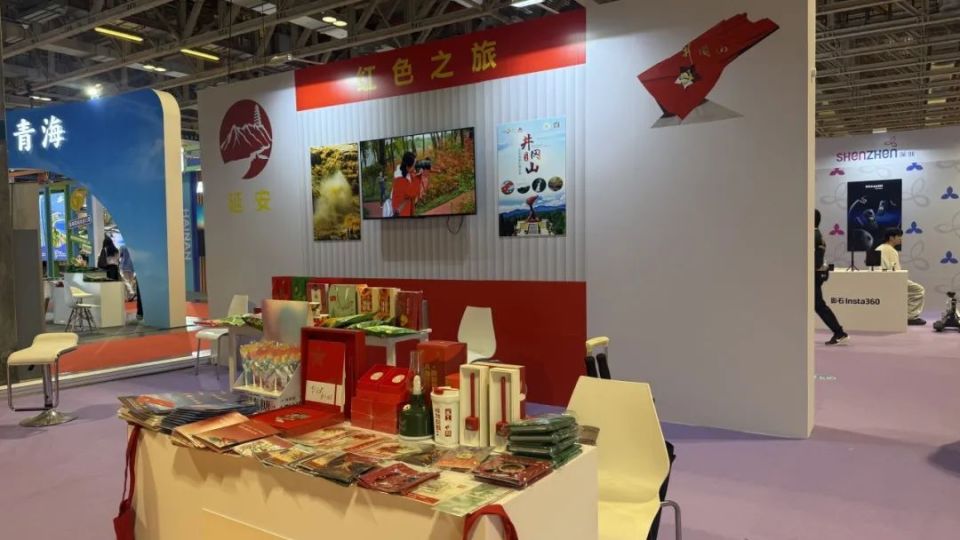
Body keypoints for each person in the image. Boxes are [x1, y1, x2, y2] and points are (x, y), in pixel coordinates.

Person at [876, 228, 926, 325]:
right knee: (918, 290)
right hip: (892, 279)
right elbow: (896, 271)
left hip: (883, 279)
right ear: (891, 237)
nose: (901, 239)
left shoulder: (880, 248)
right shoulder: (890, 250)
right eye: (899, 236)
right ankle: (910, 316)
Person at [814, 210, 848, 345]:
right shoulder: (816, 235)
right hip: (816, 275)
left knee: (819, 305)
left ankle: (839, 332)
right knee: (818, 305)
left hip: (813, 275)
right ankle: (839, 332)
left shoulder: (814, 236)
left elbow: (816, 261)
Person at [390, 151, 425, 217]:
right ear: (407, 167)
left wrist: (418, 173)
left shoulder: (406, 173)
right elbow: (413, 193)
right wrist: (418, 177)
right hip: (402, 213)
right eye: (414, 165)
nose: (415, 167)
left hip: (407, 210)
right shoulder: (399, 180)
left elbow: (413, 183)